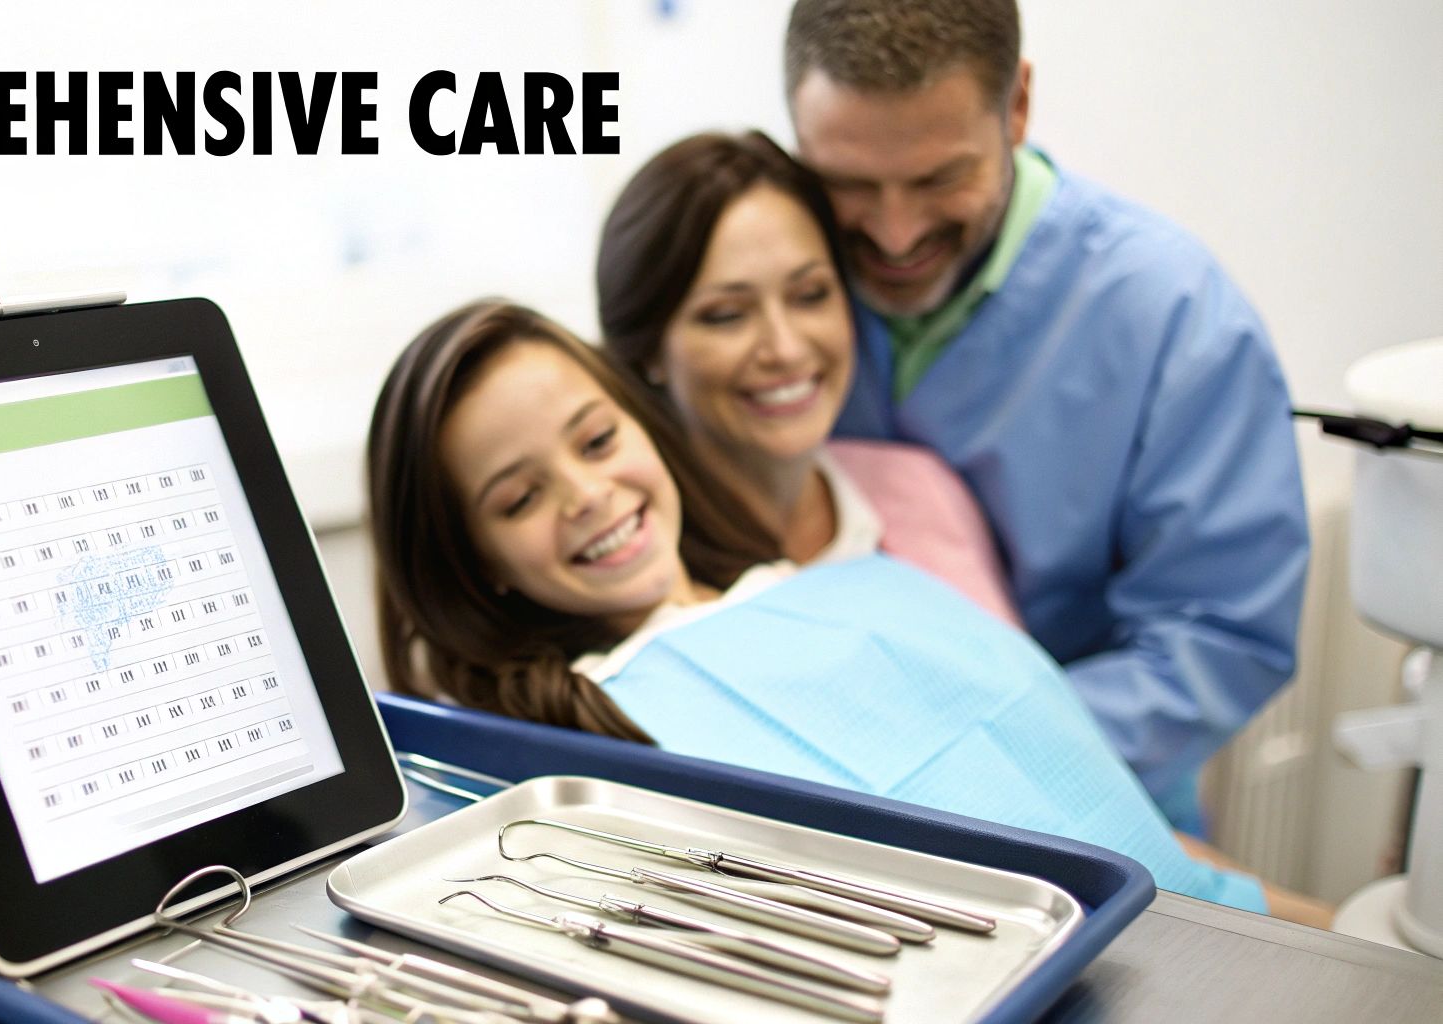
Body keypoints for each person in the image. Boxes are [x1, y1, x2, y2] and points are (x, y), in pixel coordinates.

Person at [366, 298, 1280, 915]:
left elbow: (1085, 779)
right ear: (469, 562)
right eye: (519, 499)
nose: (588, 494)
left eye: (598, 439)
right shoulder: (569, 749)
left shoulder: (859, 576)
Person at [782, 0, 1310, 830]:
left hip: (1089, 803)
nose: (894, 231)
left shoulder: (1173, 316)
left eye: (939, 178)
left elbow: (1218, 638)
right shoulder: (766, 285)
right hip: (817, 796)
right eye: (847, 183)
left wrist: (958, 761)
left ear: (1017, 106)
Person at [596, 129, 1018, 626]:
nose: (786, 348)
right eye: (727, 315)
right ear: (649, 351)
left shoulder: (921, 489)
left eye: (811, 294)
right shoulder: (631, 568)